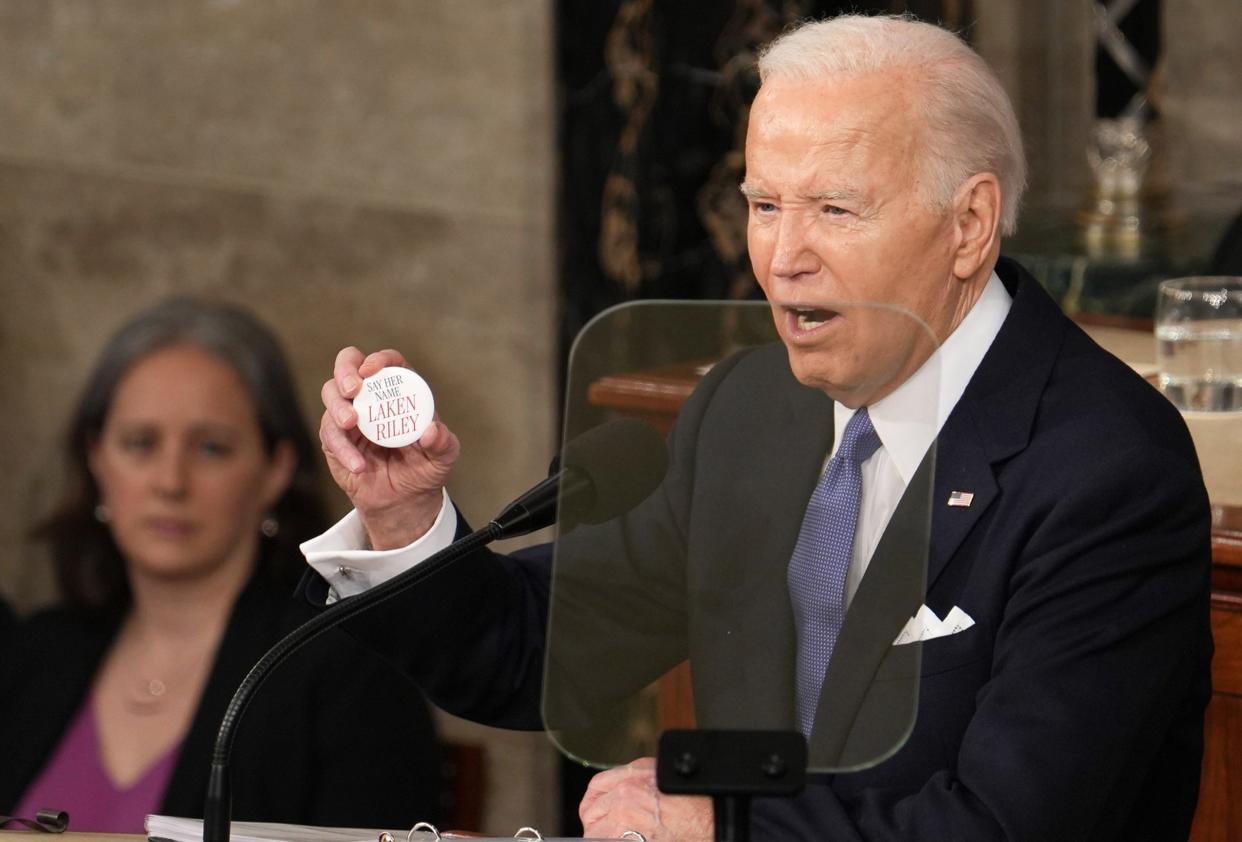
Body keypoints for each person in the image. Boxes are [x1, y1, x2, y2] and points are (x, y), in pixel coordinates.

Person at [305, 14, 1213, 842]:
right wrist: (404, 518)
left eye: (834, 210)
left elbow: (1011, 825)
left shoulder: (1106, 470)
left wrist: (719, 830)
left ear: (969, 224)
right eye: (765, 205)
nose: (783, 259)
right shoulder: (750, 410)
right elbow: (537, 652)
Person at [0, 298, 443, 833]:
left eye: (211, 448)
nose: (170, 482)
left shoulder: (351, 677)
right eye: (140, 444)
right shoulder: (30, 656)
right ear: (97, 458)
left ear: (276, 470)